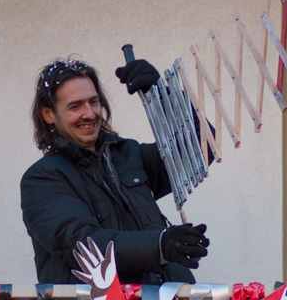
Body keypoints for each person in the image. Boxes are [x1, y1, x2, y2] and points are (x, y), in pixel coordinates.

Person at [20, 56, 210, 287]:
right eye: (75, 106)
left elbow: (203, 148)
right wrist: (161, 245)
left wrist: (161, 95)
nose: (89, 114)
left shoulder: (129, 155)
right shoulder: (42, 179)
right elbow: (84, 248)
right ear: (48, 114)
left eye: (94, 102)